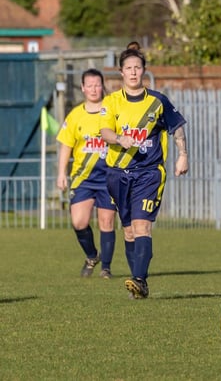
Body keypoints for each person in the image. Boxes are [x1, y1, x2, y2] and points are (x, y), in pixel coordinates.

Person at [99, 42, 189, 299]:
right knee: (128, 231)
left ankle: (139, 278)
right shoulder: (112, 101)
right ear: (121, 72)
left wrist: (183, 155)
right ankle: (139, 282)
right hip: (118, 174)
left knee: (142, 226)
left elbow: (177, 127)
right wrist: (119, 138)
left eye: (138, 67)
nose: (134, 72)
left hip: (149, 173)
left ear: (144, 71)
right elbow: (104, 132)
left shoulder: (158, 101)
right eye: (129, 68)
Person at [56, 68, 117, 278]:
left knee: (106, 222)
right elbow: (66, 145)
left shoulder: (112, 111)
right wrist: (61, 173)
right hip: (83, 178)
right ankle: (92, 256)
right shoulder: (75, 115)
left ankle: (106, 268)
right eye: (89, 85)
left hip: (109, 177)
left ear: (102, 86)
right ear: (82, 88)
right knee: (79, 222)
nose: (93, 89)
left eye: (97, 85)